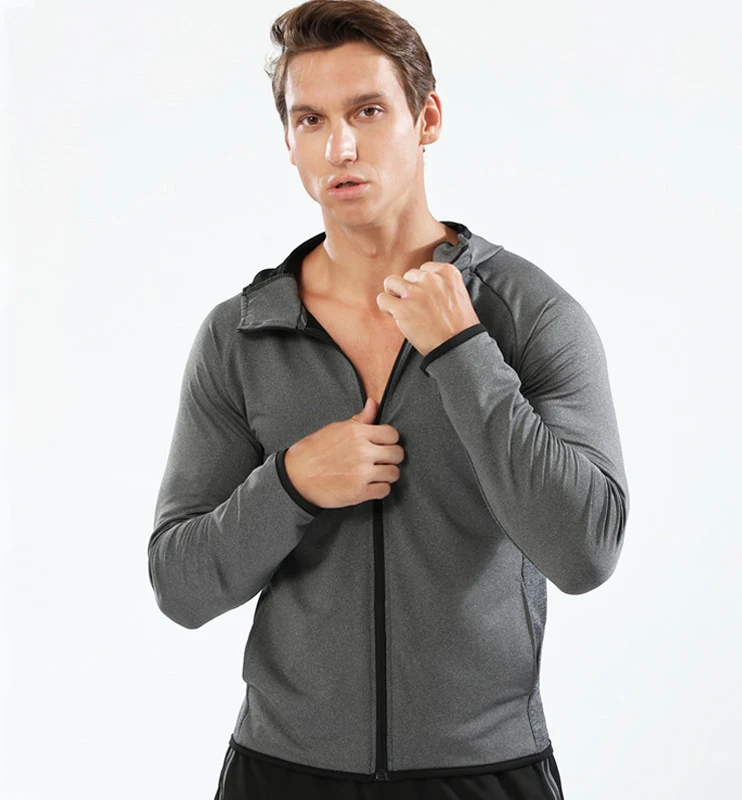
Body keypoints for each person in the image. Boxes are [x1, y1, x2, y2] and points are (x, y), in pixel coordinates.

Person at [147, 1, 630, 797]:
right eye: (310, 119)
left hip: (482, 772)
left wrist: (462, 351)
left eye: (367, 111)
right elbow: (181, 586)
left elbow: (585, 551)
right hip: (282, 773)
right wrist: (291, 484)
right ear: (289, 141)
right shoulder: (242, 335)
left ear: (426, 118)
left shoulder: (528, 315)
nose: (339, 147)